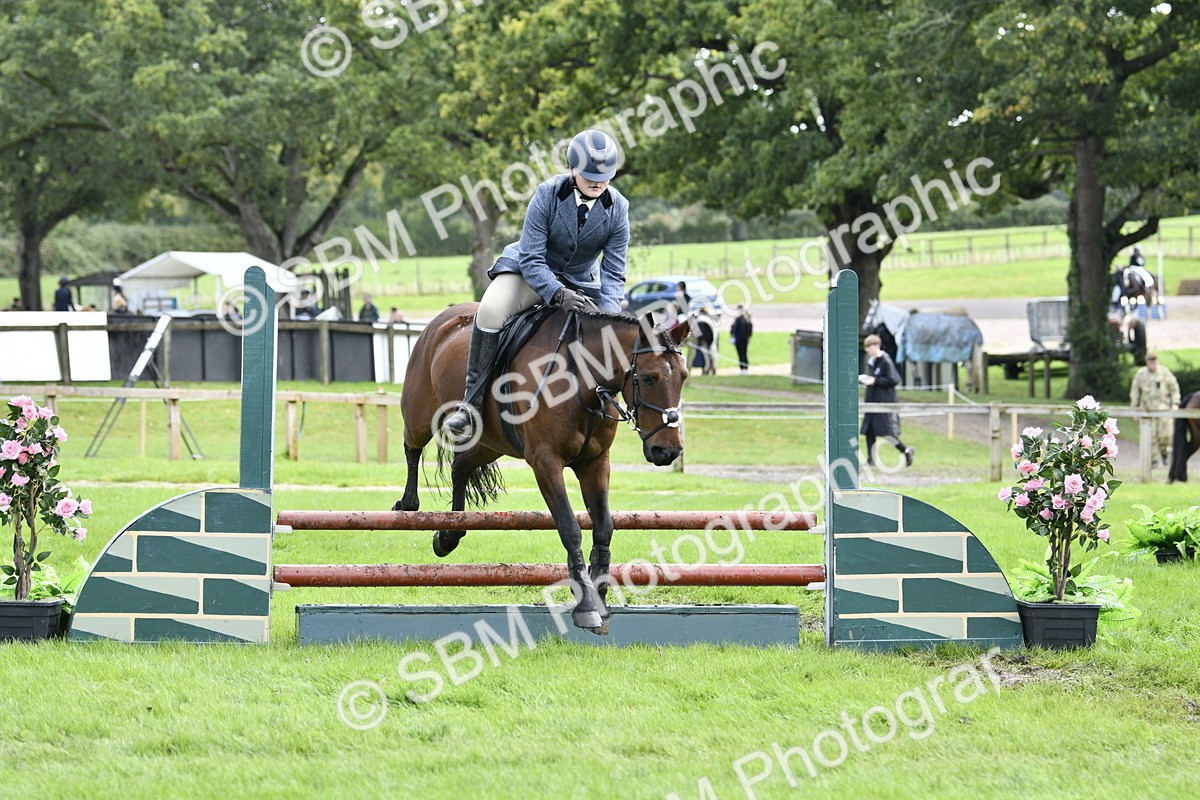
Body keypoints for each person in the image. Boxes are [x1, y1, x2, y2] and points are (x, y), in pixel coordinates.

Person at [441, 129, 629, 440]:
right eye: (589, 175)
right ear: (572, 169)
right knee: (489, 310)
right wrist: (557, 293)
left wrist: (606, 318)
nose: (597, 182)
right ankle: (470, 405)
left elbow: (614, 272)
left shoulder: (618, 207)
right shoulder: (548, 193)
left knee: (617, 333)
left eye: (605, 176)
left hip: (583, 282)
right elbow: (531, 257)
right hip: (529, 274)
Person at [860, 333, 914, 467]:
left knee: (887, 433)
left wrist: (875, 381)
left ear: (876, 346)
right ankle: (871, 459)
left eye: (869, 347)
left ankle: (905, 450)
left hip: (884, 402)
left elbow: (894, 379)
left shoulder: (886, 361)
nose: (867, 350)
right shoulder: (873, 362)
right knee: (869, 431)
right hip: (872, 401)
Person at [1130, 351, 1181, 467]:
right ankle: (1153, 461)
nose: (1152, 364)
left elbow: (1174, 389)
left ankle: (1165, 454)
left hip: (1163, 409)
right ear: (1147, 362)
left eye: (1154, 361)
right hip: (1147, 410)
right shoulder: (1141, 374)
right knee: (1150, 436)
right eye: (1150, 361)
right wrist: (1134, 409)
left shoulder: (1164, 372)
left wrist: (1175, 403)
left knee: (1165, 435)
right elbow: (1135, 392)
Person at [731, 304, 753, 374]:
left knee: (742, 354)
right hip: (741, 339)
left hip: (742, 340)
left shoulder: (744, 320)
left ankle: (744, 368)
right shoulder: (742, 319)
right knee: (742, 354)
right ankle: (743, 368)